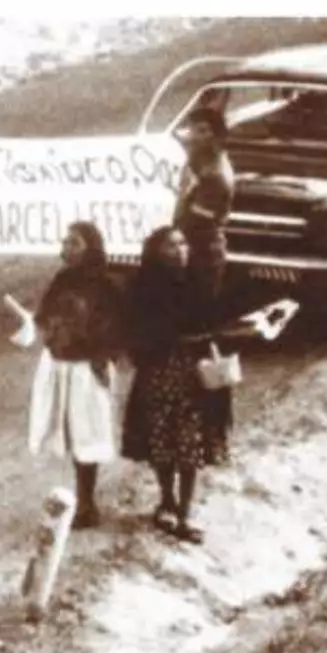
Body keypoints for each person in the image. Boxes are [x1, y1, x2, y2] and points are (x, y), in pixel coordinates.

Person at [8, 221, 128, 529]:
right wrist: (36, 324)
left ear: (91, 248)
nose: (67, 247)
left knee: (87, 433)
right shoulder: (62, 279)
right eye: (66, 242)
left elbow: (116, 330)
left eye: (75, 242)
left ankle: (87, 503)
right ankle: (83, 499)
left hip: (87, 370)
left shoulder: (106, 286)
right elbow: (46, 317)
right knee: (72, 432)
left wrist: (98, 354)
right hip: (61, 366)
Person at [120, 224, 233, 543]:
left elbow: (213, 319)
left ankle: (185, 511)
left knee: (189, 445)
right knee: (161, 443)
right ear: (155, 252)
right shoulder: (142, 289)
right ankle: (166, 499)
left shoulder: (198, 283)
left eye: (183, 244)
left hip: (193, 377)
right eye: (171, 246)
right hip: (158, 375)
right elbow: (136, 332)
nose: (180, 251)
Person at [174, 104, 236, 328]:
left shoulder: (216, 176)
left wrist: (181, 196)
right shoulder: (201, 160)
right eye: (192, 131)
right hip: (194, 249)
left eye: (202, 131)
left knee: (196, 319)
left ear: (217, 136)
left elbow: (193, 220)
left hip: (202, 252)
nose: (194, 137)